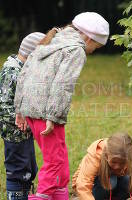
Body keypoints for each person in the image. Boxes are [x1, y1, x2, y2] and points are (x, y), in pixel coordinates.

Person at [14, 12, 109, 200]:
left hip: (31, 111)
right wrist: (52, 116)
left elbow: (24, 74)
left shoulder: (52, 41)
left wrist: (20, 109)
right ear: (89, 38)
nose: (92, 51)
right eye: (95, 47)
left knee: (61, 161)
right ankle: (41, 197)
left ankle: (59, 195)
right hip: (47, 114)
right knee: (55, 162)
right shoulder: (75, 50)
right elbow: (62, 85)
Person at [0, 32, 45, 200]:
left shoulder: (22, 69)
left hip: (24, 132)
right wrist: (20, 122)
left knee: (29, 169)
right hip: (14, 133)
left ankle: (25, 194)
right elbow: (4, 106)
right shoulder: (12, 71)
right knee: (18, 171)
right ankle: (17, 196)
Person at [72, 133, 132, 200]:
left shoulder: (128, 153)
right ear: (106, 155)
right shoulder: (96, 155)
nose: (117, 166)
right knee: (111, 182)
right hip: (93, 187)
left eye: (122, 163)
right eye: (114, 162)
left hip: (112, 181)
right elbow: (83, 184)